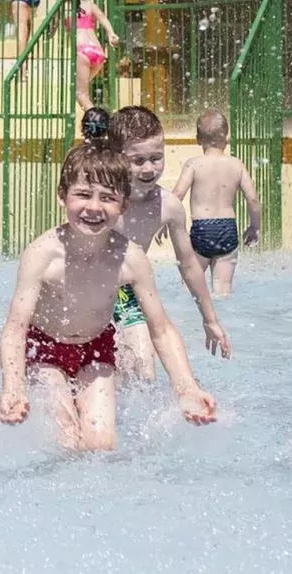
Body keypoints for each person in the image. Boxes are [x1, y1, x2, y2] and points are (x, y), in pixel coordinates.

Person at [0, 136, 217, 450]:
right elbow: (15, 329)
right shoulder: (42, 255)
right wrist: (13, 386)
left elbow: (161, 329)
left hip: (96, 349)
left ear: (123, 205)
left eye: (107, 198)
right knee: (66, 440)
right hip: (45, 349)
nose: (94, 207)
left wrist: (187, 389)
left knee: (101, 446)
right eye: (83, 194)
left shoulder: (130, 258)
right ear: (62, 196)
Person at [104, 106, 231, 380]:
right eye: (138, 160)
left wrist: (210, 319)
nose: (149, 168)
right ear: (116, 157)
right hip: (87, 290)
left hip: (126, 293)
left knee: (143, 372)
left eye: (156, 158)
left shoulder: (168, 206)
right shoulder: (100, 199)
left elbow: (188, 265)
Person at [170, 111, 261, 297]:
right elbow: (252, 199)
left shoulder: (194, 164)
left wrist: (163, 220)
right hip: (228, 229)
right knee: (223, 291)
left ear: (198, 139)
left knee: (190, 288)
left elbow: (177, 194)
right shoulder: (237, 165)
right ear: (226, 137)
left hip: (202, 229)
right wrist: (255, 227)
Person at [74, 0, 118, 110]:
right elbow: (102, 17)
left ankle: (96, 118)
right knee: (79, 90)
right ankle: (90, 115)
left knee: (80, 93)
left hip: (82, 51)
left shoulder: (64, 7)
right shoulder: (89, 4)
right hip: (97, 52)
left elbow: (51, 30)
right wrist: (111, 33)